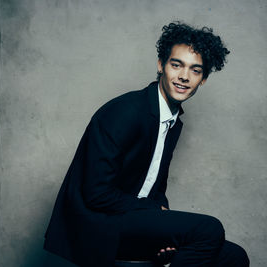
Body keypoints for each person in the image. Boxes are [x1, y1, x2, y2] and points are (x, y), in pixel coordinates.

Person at [44, 21, 249, 266]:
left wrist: (165, 229)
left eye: (195, 70)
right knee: (209, 229)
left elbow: (154, 186)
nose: (184, 76)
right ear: (161, 65)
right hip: (100, 224)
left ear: (203, 79)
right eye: (176, 65)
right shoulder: (126, 111)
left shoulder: (171, 120)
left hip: (133, 221)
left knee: (234, 257)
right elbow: (96, 194)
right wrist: (154, 215)